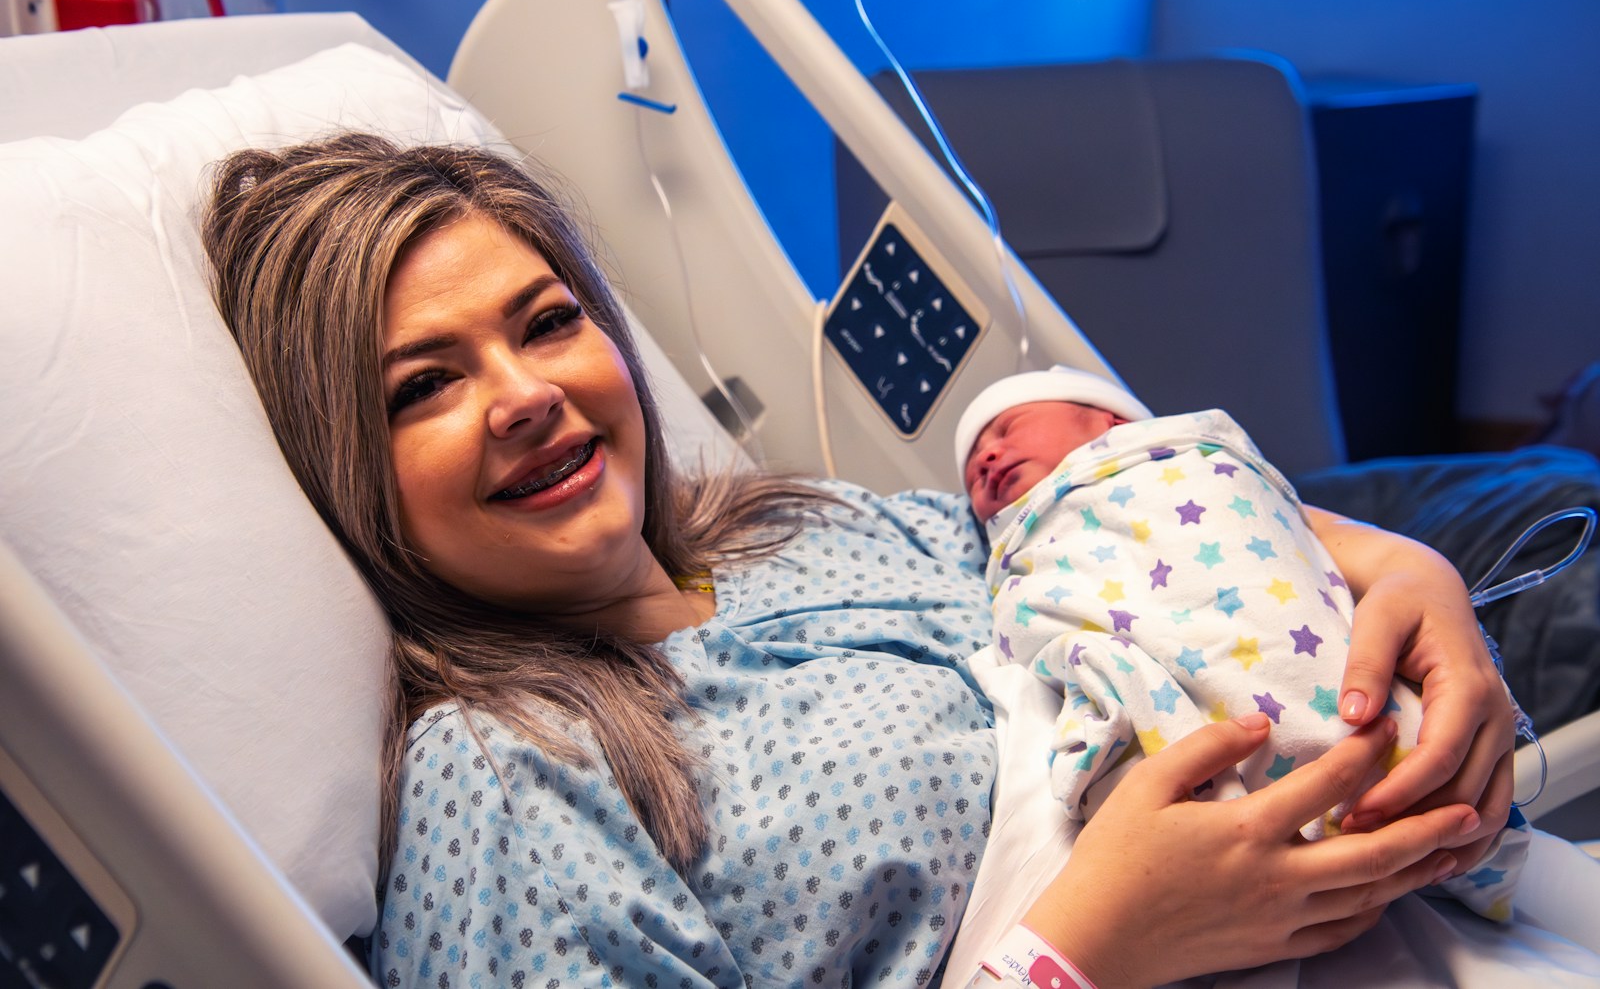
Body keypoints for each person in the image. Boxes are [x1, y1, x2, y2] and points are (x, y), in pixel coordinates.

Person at [202, 133, 1530, 989]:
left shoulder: (807, 525)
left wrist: (1403, 575)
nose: (524, 394)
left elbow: (1085, 528)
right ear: (348, 469)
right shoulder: (510, 770)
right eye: (422, 385)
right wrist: (1088, 946)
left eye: (547, 321)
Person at [954, 366, 1530, 923]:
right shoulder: (1019, 551)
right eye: (972, 473)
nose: (984, 458)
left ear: (1106, 421)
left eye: (1006, 429)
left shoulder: (1190, 456)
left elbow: (1308, 534)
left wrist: (1427, 574)